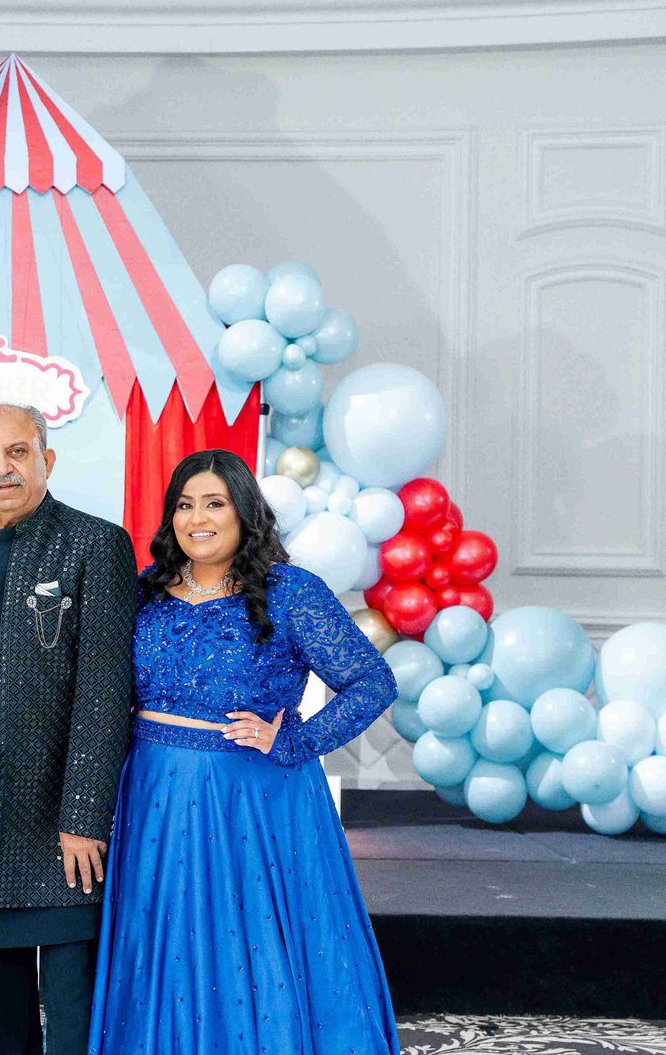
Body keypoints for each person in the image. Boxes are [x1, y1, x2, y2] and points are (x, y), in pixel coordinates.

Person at [87, 448, 400, 1055]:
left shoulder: (289, 592)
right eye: (184, 505)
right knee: (166, 945)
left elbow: (373, 682)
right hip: (155, 798)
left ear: (245, 513)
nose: (196, 519)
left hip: (253, 802)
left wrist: (296, 741)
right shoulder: (144, 592)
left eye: (215, 504)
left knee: (249, 947)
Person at [0, 403, 137, 1055]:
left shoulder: (96, 543)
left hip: (60, 817)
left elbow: (104, 691)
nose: (3, 468)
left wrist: (83, 816)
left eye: (17, 452)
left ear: (47, 459)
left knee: (72, 1003)